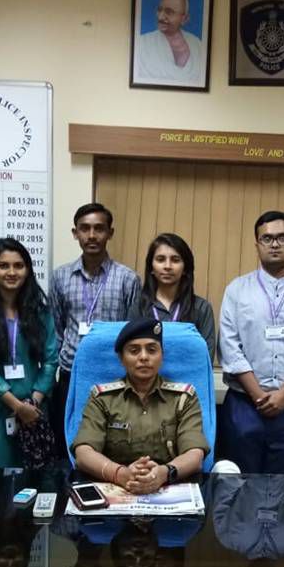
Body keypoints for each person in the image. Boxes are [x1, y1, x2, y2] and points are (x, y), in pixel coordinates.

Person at [218, 210, 284, 474]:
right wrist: (259, 396)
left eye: (282, 238)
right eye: (267, 238)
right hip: (244, 404)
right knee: (241, 480)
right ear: (257, 245)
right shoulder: (236, 290)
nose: (275, 244)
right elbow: (230, 346)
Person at [71, 317, 210, 494]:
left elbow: (195, 454)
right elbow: (83, 453)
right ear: (121, 358)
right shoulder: (102, 398)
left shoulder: (183, 398)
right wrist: (119, 474)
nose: (144, 357)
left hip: (168, 488)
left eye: (152, 350)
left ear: (162, 356)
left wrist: (164, 473)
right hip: (115, 487)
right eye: (134, 350)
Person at [49, 203, 141, 456]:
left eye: (99, 228)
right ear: (75, 233)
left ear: (110, 233)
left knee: (111, 446)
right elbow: (56, 328)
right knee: (69, 442)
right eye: (85, 228)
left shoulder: (128, 278)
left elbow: (132, 332)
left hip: (112, 375)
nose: (92, 235)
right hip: (71, 375)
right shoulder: (60, 277)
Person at [0, 238, 58, 468]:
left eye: (19, 265)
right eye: (3, 266)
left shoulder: (41, 312)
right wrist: (17, 406)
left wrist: (32, 403)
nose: (12, 272)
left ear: (28, 270)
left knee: (35, 477)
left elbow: (51, 360)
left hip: (34, 407)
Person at [128, 232, 216, 358]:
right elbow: (130, 353)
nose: (167, 266)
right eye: (160, 259)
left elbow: (206, 357)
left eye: (175, 260)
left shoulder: (202, 308)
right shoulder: (138, 308)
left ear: (185, 268)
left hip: (188, 371)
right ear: (151, 267)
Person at [133, 0, 205, 86]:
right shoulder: (143, 43)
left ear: (184, 19)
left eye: (169, 12)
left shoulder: (197, 45)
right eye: (159, 10)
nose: (160, 17)